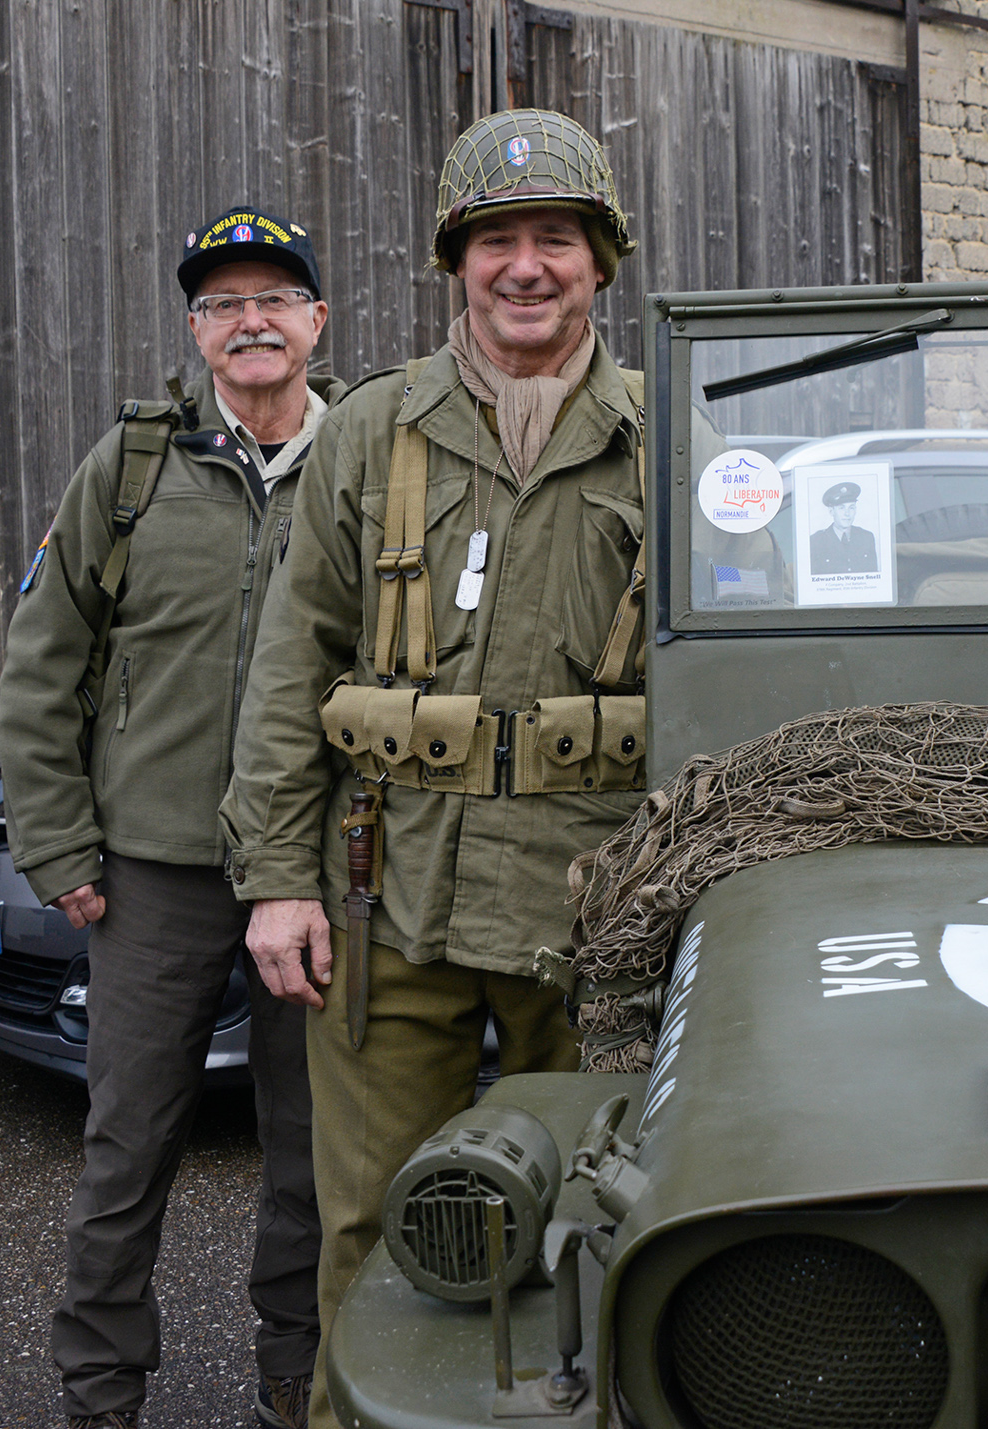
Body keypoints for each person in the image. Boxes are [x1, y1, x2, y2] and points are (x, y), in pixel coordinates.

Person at [219, 110, 651, 1429]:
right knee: (369, 1220)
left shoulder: (666, 437)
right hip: (385, 895)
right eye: (496, 241)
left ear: (600, 261)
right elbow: (293, 663)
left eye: (556, 240)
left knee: (600, 1222)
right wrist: (278, 876)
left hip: (594, 910)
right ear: (455, 262)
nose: (526, 267)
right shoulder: (372, 435)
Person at [0, 207, 339, 1429]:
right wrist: (57, 841)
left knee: (311, 1156)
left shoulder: (367, 459)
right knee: (125, 1149)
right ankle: (97, 1396)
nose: (250, 321)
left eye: (273, 298)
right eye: (221, 304)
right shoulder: (134, 466)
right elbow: (43, 660)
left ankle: (296, 1381)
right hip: (153, 875)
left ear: (315, 318)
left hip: (315, 870)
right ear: (197, 332)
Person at [809, 479, 879, 573]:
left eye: (851, 508)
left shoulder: (866, 537)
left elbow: (874, 576)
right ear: (831, 511)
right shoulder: (816, 541)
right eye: (841, 508)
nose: (847, 514)